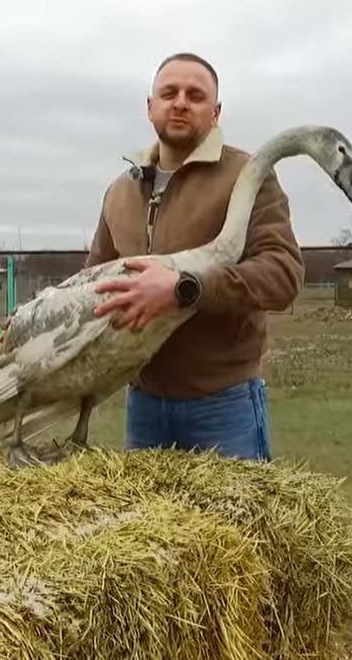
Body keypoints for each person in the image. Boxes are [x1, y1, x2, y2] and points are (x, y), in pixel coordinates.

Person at [83, 52, 304, 460]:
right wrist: (28, 328)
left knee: (235, 526)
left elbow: (282, 275)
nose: (181, 102)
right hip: (144, 407)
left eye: (195, 95)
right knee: (147, 525)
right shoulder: (120, 191)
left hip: (224, 405)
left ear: (216, 112)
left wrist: (186, 289)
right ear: (150, 107)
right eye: (169, 93)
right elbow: (93, 286)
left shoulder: (248, 177)